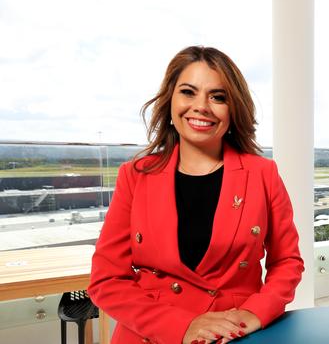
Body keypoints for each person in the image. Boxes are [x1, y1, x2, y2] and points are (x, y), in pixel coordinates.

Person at [88, 46, 304, 344]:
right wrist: (181, 325)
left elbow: (287, 262)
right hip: (150, 333)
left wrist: (256, 312)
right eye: (188, 92)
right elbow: (107, 280)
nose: (201, 106)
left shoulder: (262, 173)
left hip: (231, 334)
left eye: (218, 97)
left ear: (233, 108)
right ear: (170, 101)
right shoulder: (135, 175)